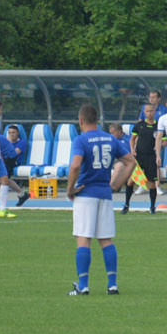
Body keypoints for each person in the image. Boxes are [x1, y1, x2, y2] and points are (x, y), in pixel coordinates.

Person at [66, 104, 136, 295]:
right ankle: (112, 285)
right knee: (106, 240)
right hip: (105, 194)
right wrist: (116, 185)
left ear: (81, 121)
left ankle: (83, 286)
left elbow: (75, 166)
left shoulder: (81, 140)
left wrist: (70, 189)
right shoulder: (111, 139)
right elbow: (131, 161)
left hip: (85, 194)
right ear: (97, 120)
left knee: (83, 239)